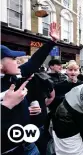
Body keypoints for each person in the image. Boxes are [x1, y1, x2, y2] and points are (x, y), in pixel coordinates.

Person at [1, 22, 60, 154]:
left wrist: (52, 41)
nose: (18, 61)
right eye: (13, 58)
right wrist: (5, 106)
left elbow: (34, 61)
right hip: (8, 149)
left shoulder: (15, 76)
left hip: (26, 141)